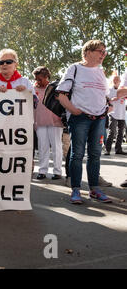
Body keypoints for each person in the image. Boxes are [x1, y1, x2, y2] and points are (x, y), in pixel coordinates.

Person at [56, 39, 112, 204]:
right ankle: (76, 189)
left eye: (105, 51)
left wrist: (108, 106)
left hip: (99, 118)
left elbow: (104, 95)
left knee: (95, 154)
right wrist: (73, 110)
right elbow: (60, 94)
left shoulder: (101, 72)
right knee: (77, 154)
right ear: (88, 52)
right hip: (80, 118)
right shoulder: (75, 68)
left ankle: (94, 189)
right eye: (100, 51)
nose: (103, 54)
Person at [32, 66, 63, 180]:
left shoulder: (55, 88)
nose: (37, 81)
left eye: (40, 79)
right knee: (42, 147)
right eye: (36, 79)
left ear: (46, 77)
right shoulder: (32, 89)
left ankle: (57, 171)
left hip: (55, 121)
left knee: (56, 147)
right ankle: (42, 170)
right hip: (39, 121)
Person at [104, 71, 126, 155]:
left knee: (121, 132)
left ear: (120, 81)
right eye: (115, 80)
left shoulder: (123, 89)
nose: (116, 81)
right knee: (112, 132)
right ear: (113, 81)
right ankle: (107, 149)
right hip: (113, 113)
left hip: (122, 114)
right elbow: (106, 100)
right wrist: (112, 99)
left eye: (118, 80)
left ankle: (118, 149)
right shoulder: (110, 90)